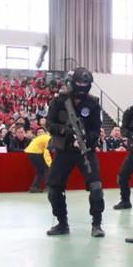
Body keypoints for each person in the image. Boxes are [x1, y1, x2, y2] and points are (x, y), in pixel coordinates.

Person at [45, 67, 105, 237]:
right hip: (64, 151)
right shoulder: (58, 101)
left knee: (96, 188)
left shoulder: (93, 103)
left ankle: (97, 224)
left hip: (86, 151)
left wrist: (86, 140)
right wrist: (66, 132)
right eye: (79, 83)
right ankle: (62, 223)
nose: (82, 87)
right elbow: (49, 124)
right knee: (54, 190)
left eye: (85, 84)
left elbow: (96, 129)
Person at [24, 127, 51, 193]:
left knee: (40, 171)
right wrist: (50, 164)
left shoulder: (44, 137)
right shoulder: (49, 138)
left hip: (31, 153)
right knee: (46, 168)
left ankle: (34, 187)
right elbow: (46, 153)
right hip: (35, 153)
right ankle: (48, 186)